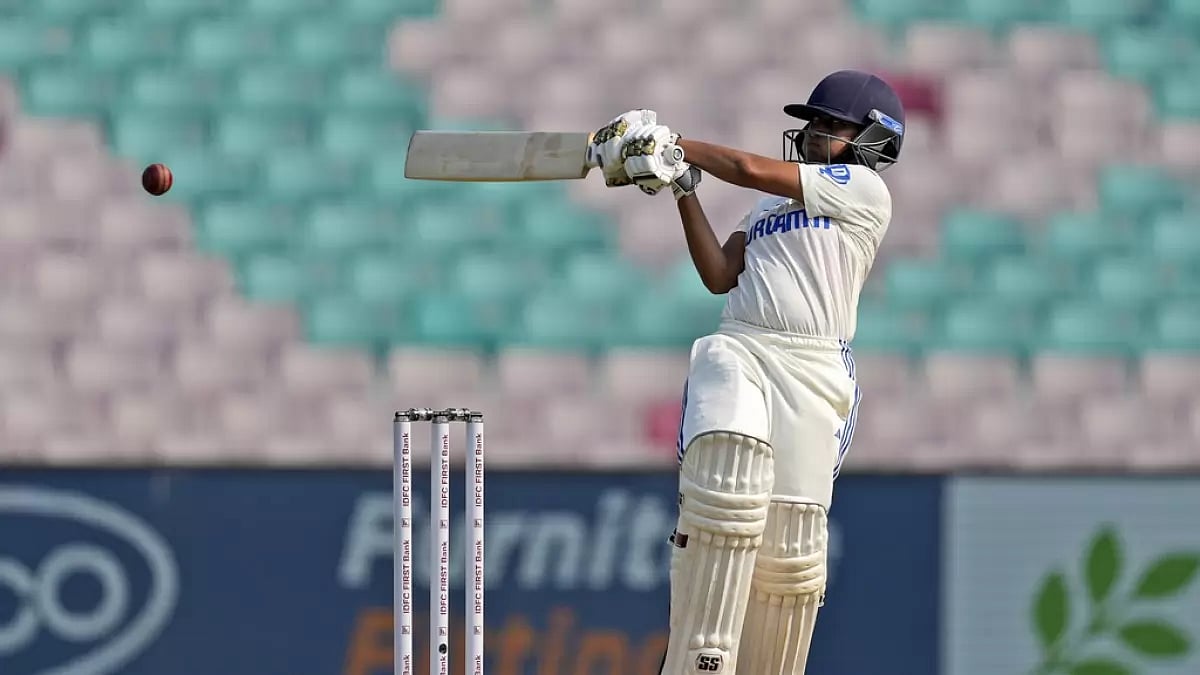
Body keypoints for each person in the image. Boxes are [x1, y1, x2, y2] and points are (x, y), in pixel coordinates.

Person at [586, 70, 906, 675]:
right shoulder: (767, 208)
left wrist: (675, 143)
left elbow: (753, 166)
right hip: (743, 345)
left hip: (814, 368)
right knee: (726, 479)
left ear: (872, 139)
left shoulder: (863, 191)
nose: (813, 134)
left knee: (791, 553)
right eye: (810, 123)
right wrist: (684, 187)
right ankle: (696, 662)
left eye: (830, 125)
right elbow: (718, 274)